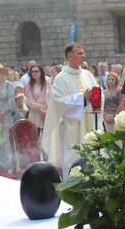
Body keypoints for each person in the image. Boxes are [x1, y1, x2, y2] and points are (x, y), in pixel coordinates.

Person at [42, 43, 101, 177]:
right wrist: (82, 97)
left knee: (93, 160)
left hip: (90, 125)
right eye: (80, 53)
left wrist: (96, 95)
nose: (83, 56)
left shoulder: (88, 75)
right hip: (72, 128)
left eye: (83, 53)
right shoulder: (61, 78)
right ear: (70, 56)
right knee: (74, 160)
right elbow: (58, 102)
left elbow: (98, 94)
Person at [24, 64, 51, 131]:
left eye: (36, 71)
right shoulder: (29, 85)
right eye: (32, 72)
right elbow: (30, 101)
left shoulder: (48, 84)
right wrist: (41, 111)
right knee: (35, 134)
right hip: (35, 113)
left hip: (47, 111)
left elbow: (51, 97)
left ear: (41, 72)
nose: (34, 74)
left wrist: (46, 110)